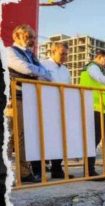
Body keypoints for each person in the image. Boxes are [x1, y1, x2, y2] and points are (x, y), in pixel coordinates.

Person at [6, 24, 52, 183]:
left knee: (24, 136)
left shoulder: (31, 55)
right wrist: (39, 73)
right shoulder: (9, 51)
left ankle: (24, 171)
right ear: (17, 36)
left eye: (34, 37)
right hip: (15, 97)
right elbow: (24, 68)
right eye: (29, 37)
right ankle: (15, 171)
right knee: (14, 136)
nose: (32, 40)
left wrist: (38, 72)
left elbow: (47, 75)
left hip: (29, 97)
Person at [36, 42, 74, 180]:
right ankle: (38, 171)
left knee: (59, 139)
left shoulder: (65, 69)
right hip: (45, 106)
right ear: (53, 51)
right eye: (62, 53)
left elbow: (69, 86)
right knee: (41, 139)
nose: (64, 57)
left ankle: (57, 169)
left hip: (60, 107)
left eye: (66, 54)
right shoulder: (43, 64)